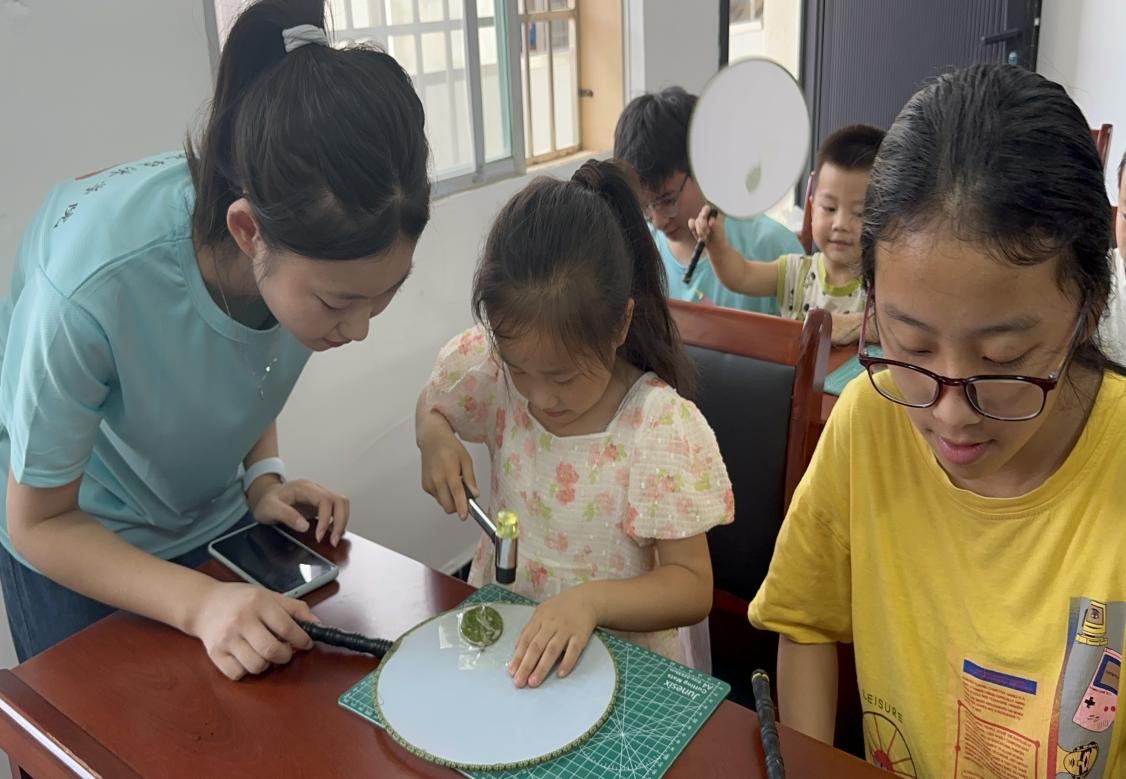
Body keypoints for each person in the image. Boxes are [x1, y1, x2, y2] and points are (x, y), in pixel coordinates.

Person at [0, 0, 430, 680]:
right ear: (247, 231)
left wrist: (262, 480)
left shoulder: (301, 258)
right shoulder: (89, 289)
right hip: (80, 538)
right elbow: (38, 522)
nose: (359, 327)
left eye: (386, 293)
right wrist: (199, 604)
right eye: (338, 303)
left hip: (213, 524)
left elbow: (241, 363)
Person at [749, 64, 1126, 777]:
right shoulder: (869, 424)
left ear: (1091, 306)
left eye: (1004, 359)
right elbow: (804, 619)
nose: (950, 412)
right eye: (913, 347)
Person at [417, 160, 734, 688]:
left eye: (563, 376)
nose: (540, 396)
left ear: (620, 324)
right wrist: (432, 435)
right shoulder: (491, 374)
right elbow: (433, 401)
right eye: (520, 369)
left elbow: (691, 586)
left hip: (621, 672)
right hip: (511, 644)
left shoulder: (657, 428)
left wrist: (590, 602)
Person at [613, 86, 804, 313]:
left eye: (668, 200)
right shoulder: (642, 251)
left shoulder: (773, 247)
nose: (658, 221)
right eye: (645, 207)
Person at [690, 124, 885, 345]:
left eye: (859, 213)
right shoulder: (796, 272)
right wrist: (717, 246)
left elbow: (905, 329)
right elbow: (741, 276)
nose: (840, 224)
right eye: (829, 208)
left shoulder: (884, 284)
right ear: (812, 207)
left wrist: (855, 325)